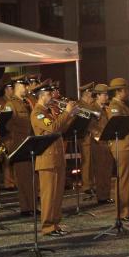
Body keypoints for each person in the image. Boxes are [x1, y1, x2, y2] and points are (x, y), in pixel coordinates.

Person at [30, 80, 77, 236]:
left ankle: (55, 224)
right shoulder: (38, 113)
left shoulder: (48, 111)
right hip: (47, 159)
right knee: (49, 195)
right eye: (50, 94)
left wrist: (71, 116)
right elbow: (52, 127)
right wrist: (67, 112)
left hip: (56, 157)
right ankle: (48, 227)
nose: (53, 97)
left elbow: (61, 129)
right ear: (42, 96)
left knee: (57, 195)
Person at [106, 78, 129, 221]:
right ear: (119, 91)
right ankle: (123, 212)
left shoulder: (124, 106)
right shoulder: (114, 106)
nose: (128, 92)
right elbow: (120, 125)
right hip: (122, 146)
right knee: (124, 180)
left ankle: (128, 211)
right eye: (126, 90)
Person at [2, 75, 36, 216]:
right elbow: (6, 127)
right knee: (23, 178)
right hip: (19, 145)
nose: (26, 88)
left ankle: (32, 205)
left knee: (31, 177)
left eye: (27, 85)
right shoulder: (10, 104)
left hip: (31, 143)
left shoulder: (28, 102)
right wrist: (12, 146)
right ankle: (26, 208)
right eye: (24, 85)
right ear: (16, 86)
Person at [89, 83, 114, 204]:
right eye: (104, 95)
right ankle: (101, 196)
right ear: (97, 95)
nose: (107, 97)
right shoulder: (92, 108)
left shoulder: (106, 108)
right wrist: (98, 136)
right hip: (98, 143)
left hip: (107, 141)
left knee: (108, 169)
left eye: (107, 94)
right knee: (100, 170)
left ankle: (106, 194)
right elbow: (90, 126)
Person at [77, 82, 97, 195]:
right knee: (87, 161)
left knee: (93, 161)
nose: (92, 95)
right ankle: (86, 185)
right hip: (85, 136)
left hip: (94, 136)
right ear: (86, 93)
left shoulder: (91, 103)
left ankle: (92, 183)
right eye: (91, 92)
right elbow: (82, 122)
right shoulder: (79, 105)